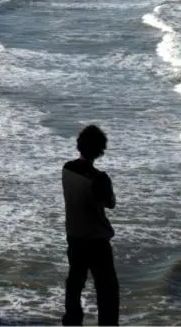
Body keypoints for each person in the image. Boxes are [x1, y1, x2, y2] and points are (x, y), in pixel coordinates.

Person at [62, 125, 119, 326]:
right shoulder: (99, 178)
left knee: (75, 284)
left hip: (74, 236)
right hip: (96, 241)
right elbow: (110, 203)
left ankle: (72, 321)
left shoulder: (67, 169)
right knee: (107, 290)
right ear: (100, 151)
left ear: (79, 146)